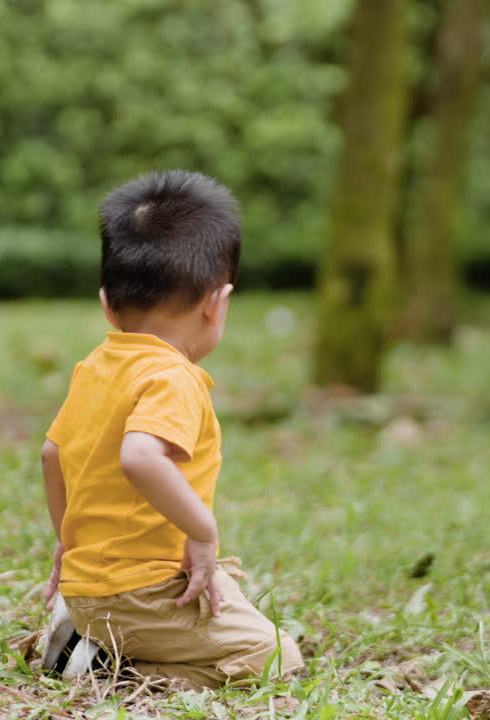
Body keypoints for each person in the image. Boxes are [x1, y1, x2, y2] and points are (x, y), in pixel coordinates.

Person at [37, 170, 303, 690]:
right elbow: (140, 457)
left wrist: (69, 542)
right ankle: (102, 664)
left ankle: (89, 634)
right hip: (136, 595)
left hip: (90, 584)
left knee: (221, 587)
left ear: (107, 303)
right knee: (275, 658)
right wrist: (203, 531)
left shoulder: (96, 366)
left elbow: (52, 454)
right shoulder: (172, 377)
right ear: (217, 304)